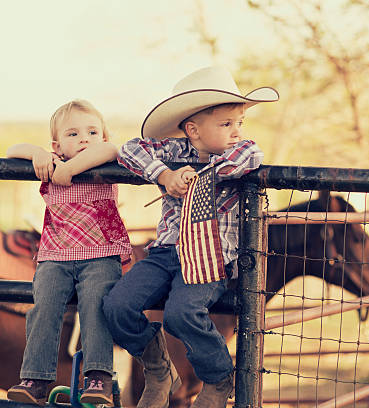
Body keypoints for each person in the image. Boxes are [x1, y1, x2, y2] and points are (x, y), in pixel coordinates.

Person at [102, 66, 278, 408]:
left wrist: (198, 175)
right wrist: (165, 174)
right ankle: (158, 370)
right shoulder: (171, 152)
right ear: (193, 129)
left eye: (239, 123)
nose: (236, 132)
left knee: (180, 313)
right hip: (166, 252)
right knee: (117, 305)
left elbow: (249, 157)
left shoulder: (239, 152)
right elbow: (129, 149)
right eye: (226, 124)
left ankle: (217, 377)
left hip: (208, 257)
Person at [6, 99, 132, 406]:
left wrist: (72, 168)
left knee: (96, 307)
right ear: (57, 145)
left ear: (102, 136)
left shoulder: (105, 161)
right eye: (73, 134)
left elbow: (111, 148)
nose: (85, 139)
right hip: (55, 256)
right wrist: (37, 154)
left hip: (100, 254)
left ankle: (98, 377)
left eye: (92, 131)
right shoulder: (50, 161)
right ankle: (36, 378)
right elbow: (12, 150)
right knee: (43, 307)